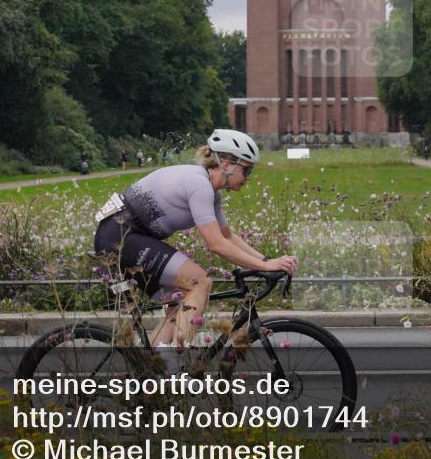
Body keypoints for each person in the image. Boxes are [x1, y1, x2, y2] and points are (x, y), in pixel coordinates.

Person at [93, 129, 297, 348]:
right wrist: (265, 267)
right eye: (246, 170)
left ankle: (154, 371)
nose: (248, 177)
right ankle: (178, 365)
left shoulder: (211, 190)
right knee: (200, 282)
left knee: (180, 303)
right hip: (121, 237)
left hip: (126, 236)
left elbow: (227, 236)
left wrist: (267, 261)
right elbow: (216, 244)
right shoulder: (199, 185)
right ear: (227, 165)